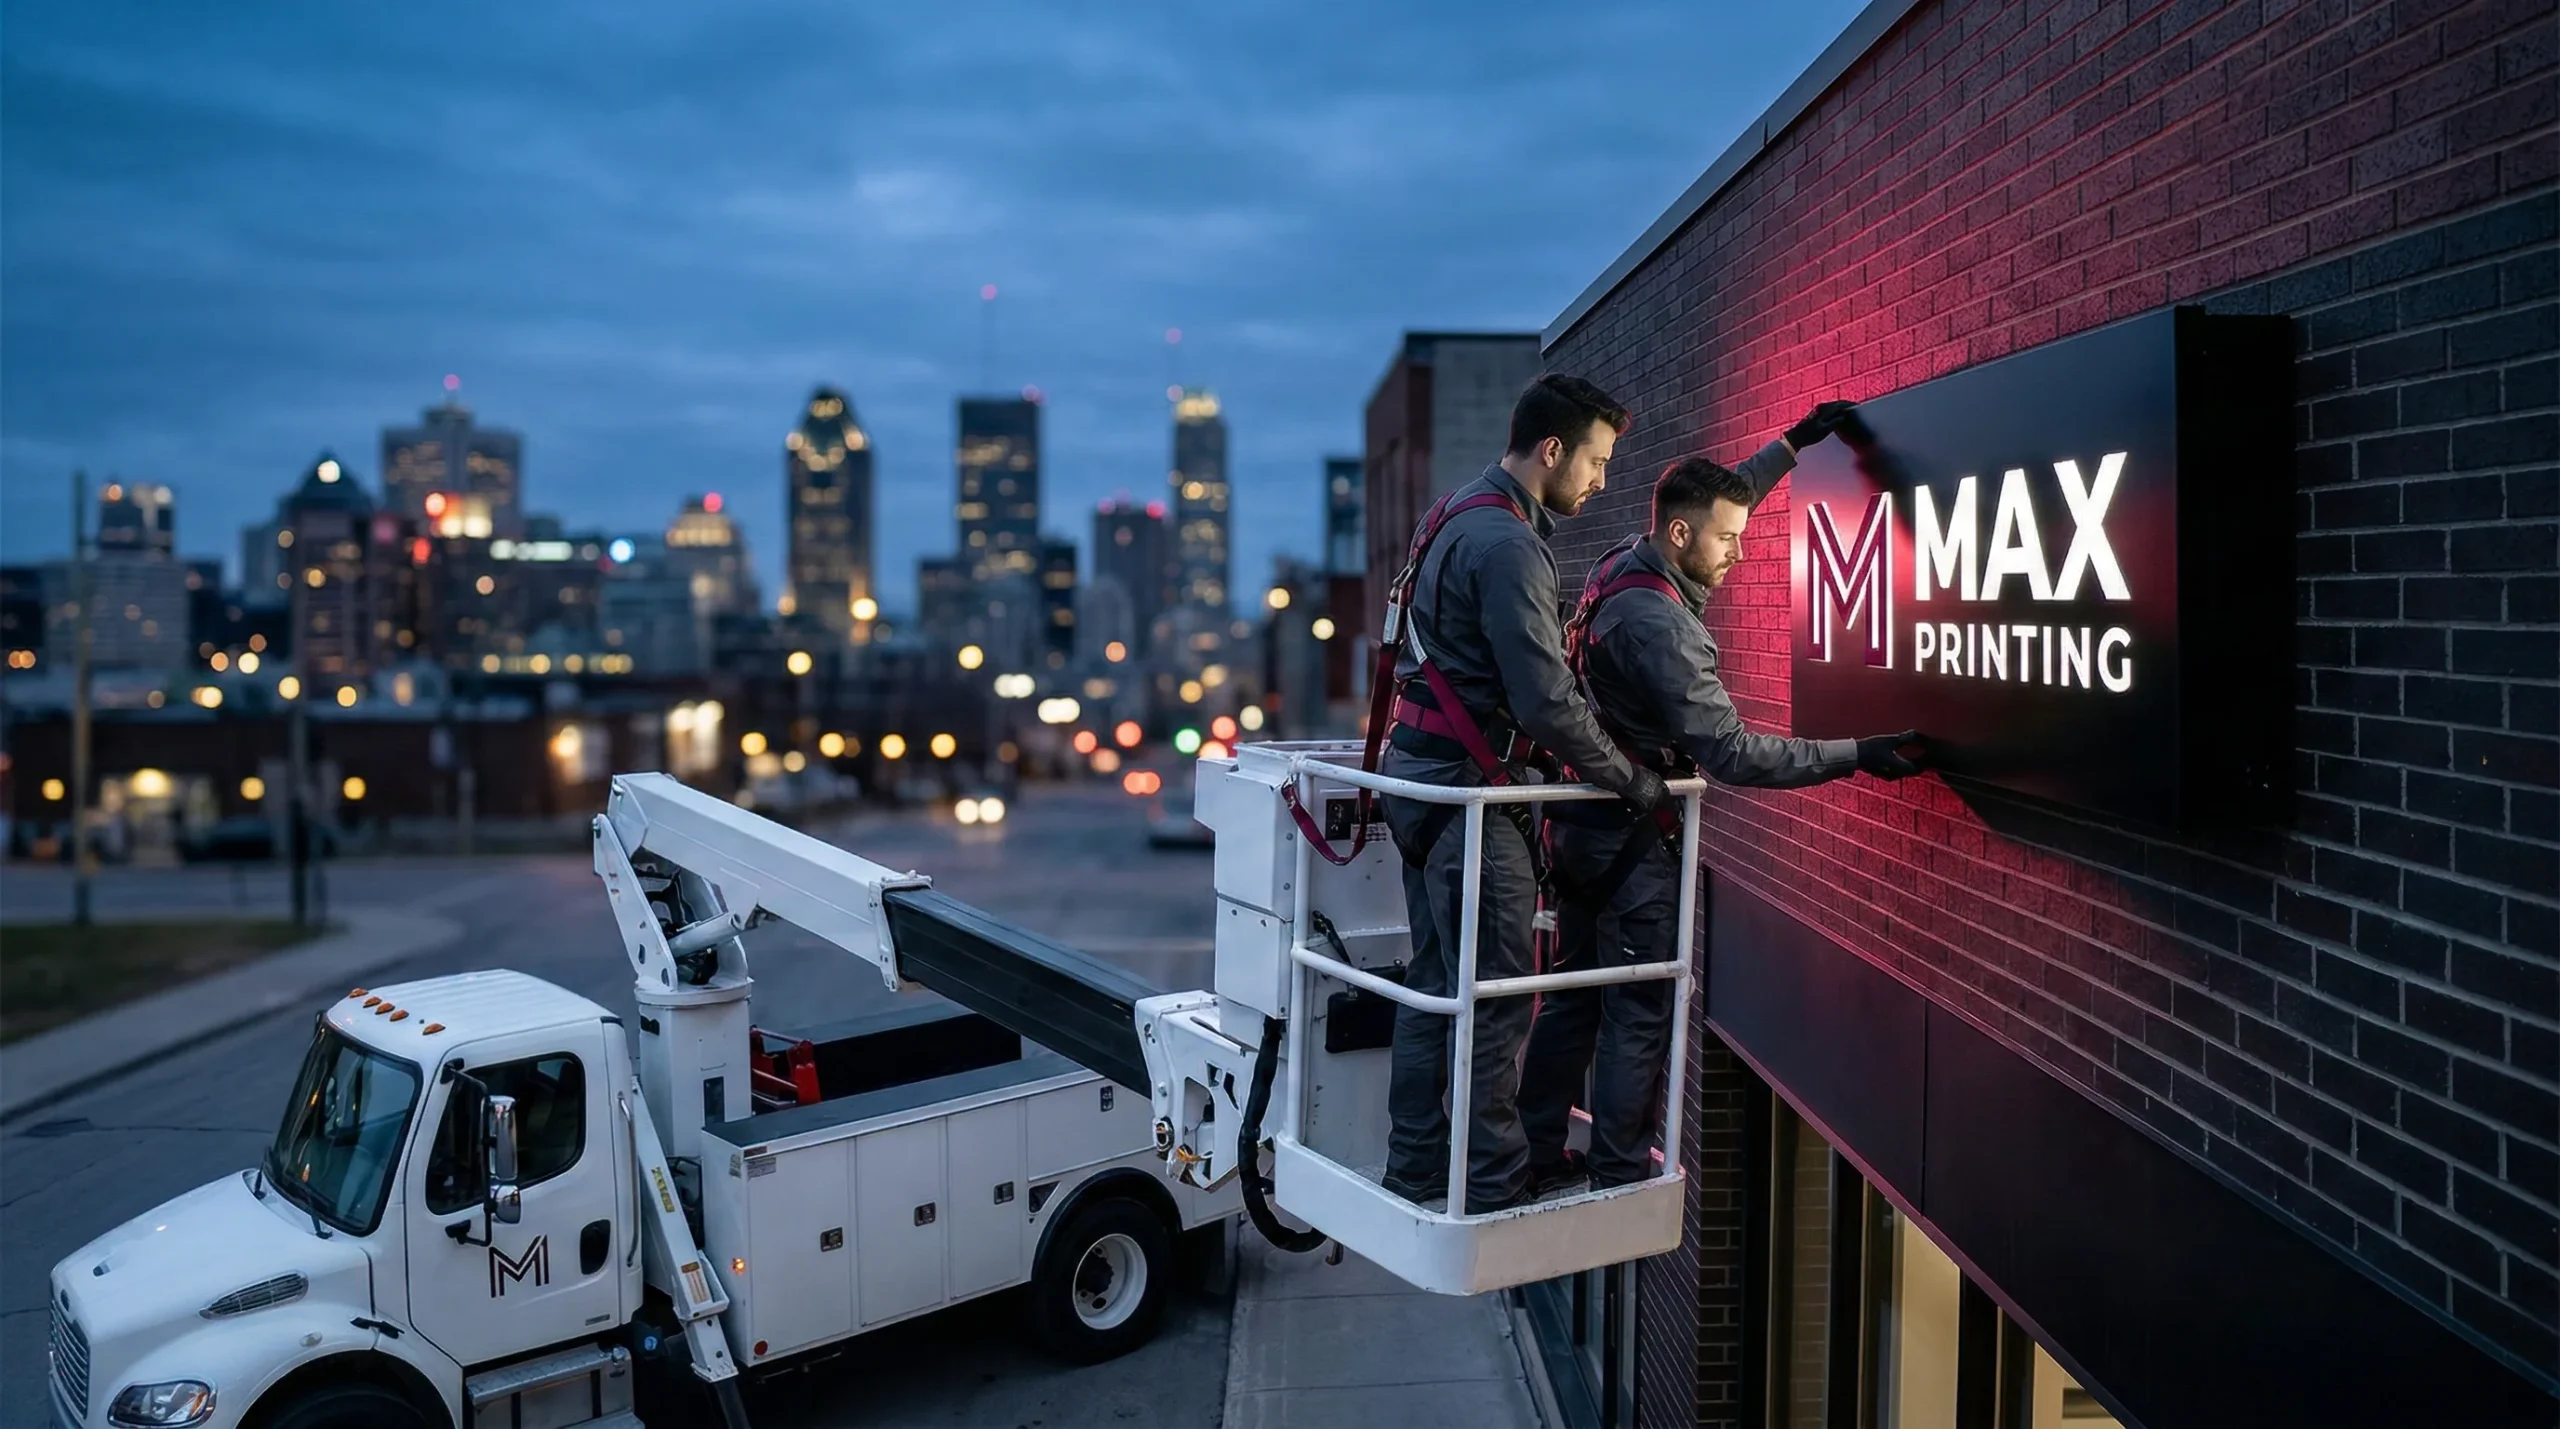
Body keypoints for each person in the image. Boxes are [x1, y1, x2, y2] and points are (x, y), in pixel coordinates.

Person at [1519, 409, 1928, 1195]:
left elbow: (1721, 502)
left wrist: (1789, 448)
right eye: (1727, 541)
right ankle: (1615, 1175)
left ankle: (1537, 1151)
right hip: (1630, 844)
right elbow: (1733, 751)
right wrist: (1856, 753)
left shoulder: (1624, 564)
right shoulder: (1660, 626)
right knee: (1638, 1009)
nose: (1740, 553)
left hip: (1580, 833)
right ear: (1679, 537)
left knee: (1571, 998)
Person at [1377, 373, 1668, 1215]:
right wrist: (1632, 779)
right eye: (1598, 460)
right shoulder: (1508, 545)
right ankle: (1495, 1183)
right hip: (1470, 799)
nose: (1602, 480)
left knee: (1436, 985)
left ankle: (1417, 1165)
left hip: (1422, 788)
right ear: (1552, 450)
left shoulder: (1452, 512)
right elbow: (1544, 698)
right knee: (1498, 1000)